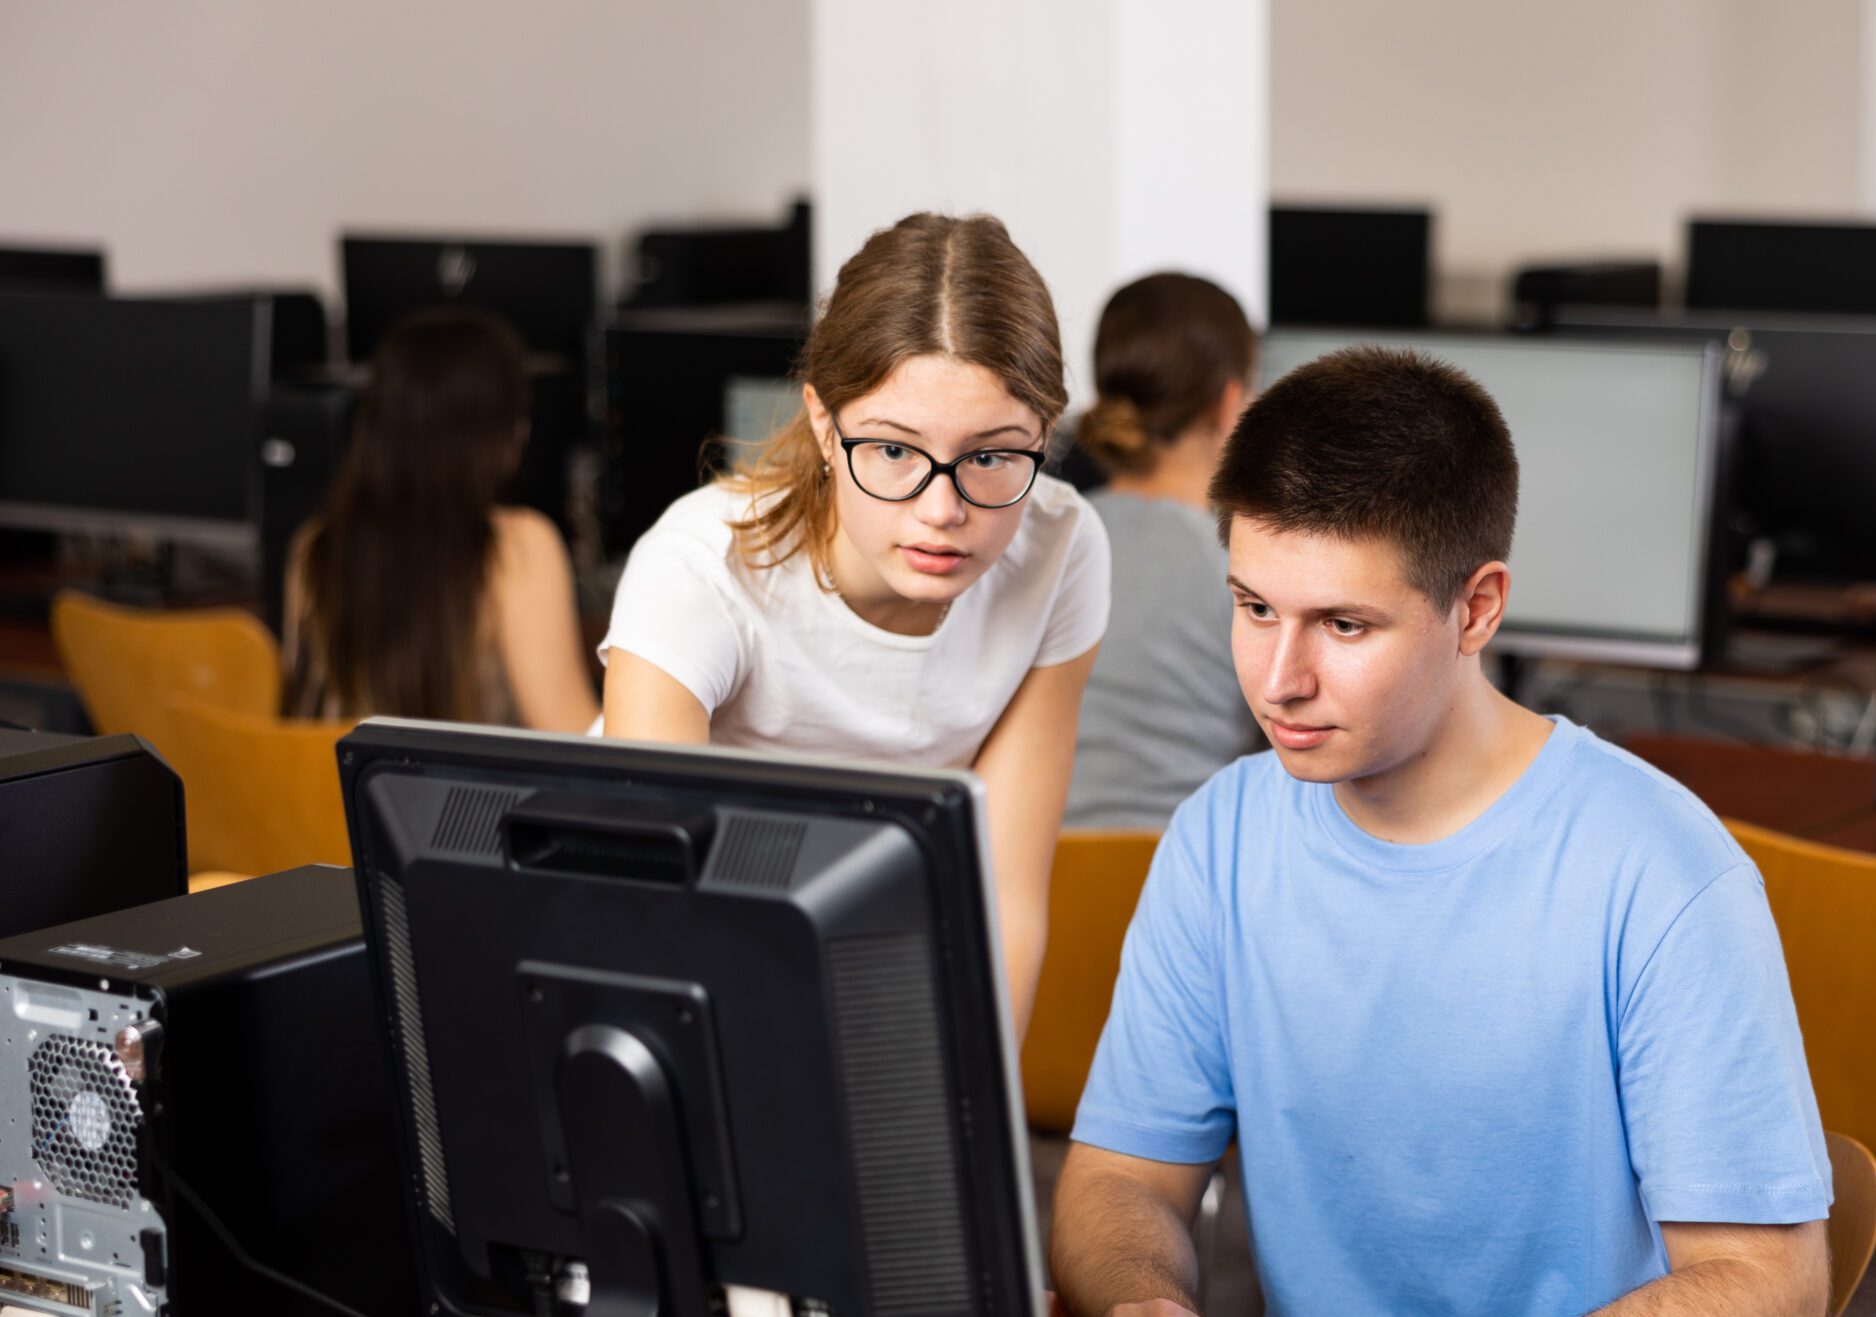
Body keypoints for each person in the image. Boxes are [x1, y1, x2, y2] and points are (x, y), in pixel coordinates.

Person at [1046, 346, 1832, 1317]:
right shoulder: (1222, 836)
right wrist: (1143, 1303)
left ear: (1477, 609)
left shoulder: (1659, 873)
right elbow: (1122, 1176)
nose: (1278, 677)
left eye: (1344, 625)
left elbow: (1772, 1287)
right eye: (1254, 607)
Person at [598, 212, 1107, 1041]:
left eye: (991, 456)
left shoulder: (1062, 546)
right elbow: (653, 907)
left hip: (874, 938)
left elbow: (1007, 898)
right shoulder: (699, 568)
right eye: (896, 452)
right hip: (678, 946)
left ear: (1044, 437)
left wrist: (978, 1140)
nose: (944, 512)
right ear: (825, 427)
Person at [286, 307, 596, 732]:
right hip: (466, 800)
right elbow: (574, 737)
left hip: (328, 797)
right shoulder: (518, 546)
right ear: (496, 431)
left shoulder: (316, 547)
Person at [1063, 272, 1264, 830]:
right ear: (1230, 404)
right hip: (1181, 884)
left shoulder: (1045, 539)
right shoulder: (1245, 565)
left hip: (1039, 885)